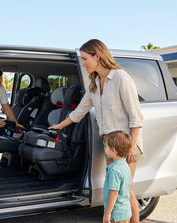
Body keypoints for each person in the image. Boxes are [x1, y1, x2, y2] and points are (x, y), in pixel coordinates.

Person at [49, 39, 143, 223]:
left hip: (126, 144)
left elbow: (136, 116)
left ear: (97, 56)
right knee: (114, 190)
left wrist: (132, 146)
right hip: (110, 144)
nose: (83, 63)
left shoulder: (120, 78)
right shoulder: (93, 84)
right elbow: (79, 111)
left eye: (85, 59)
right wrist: (60, 126)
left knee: (125, 191)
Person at [103, 130, 133, 223]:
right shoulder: (125, 166)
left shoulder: (115, 170)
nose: (105, 149)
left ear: (113, 150)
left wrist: (107, 213)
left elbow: (114, 193)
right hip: (125, 212)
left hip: (116, 215)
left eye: (106, 147)